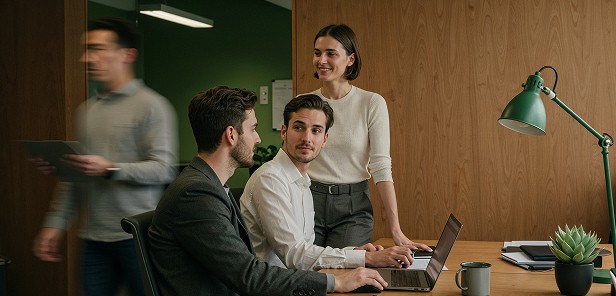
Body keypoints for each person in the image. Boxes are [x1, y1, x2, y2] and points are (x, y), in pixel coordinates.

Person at [148, 86, 388, 295]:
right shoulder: (197, 193)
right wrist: (335, 281)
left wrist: (350, 255)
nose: (258, 139)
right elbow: (249, 276)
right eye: (252, 129)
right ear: (231, 135)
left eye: (316, 131)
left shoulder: (207, 185)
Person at [31, 17, 178, 296]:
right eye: (87, 49)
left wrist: (111, 168)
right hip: (92, 240)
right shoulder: (87, 111)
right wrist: (54, 224)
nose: (86, 57)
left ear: (127, 54)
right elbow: (76, 178)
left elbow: (164, 169)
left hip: (137, 237)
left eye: (97, 48)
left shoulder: (153, 106)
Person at [241, 94, 423, 271]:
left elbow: (305, 250)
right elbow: (295, 256)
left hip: (296, 282)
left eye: (316, 131)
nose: (307, 138)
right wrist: (365, 258)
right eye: (298, 127)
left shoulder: (302, 181)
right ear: (284, 132)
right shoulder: (270, 180)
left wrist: (354, 253)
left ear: (325, 139)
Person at [305, 24, 423, 248]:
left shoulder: (371, 103)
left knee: (344, 274)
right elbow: (291, 159)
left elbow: (380, 165)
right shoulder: (304, 103)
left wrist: (396, 230)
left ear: (350, 59)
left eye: (331, 53)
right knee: (309, 277)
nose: (321, 60)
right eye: (317, 52)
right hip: (307, 200)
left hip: (353, 207)